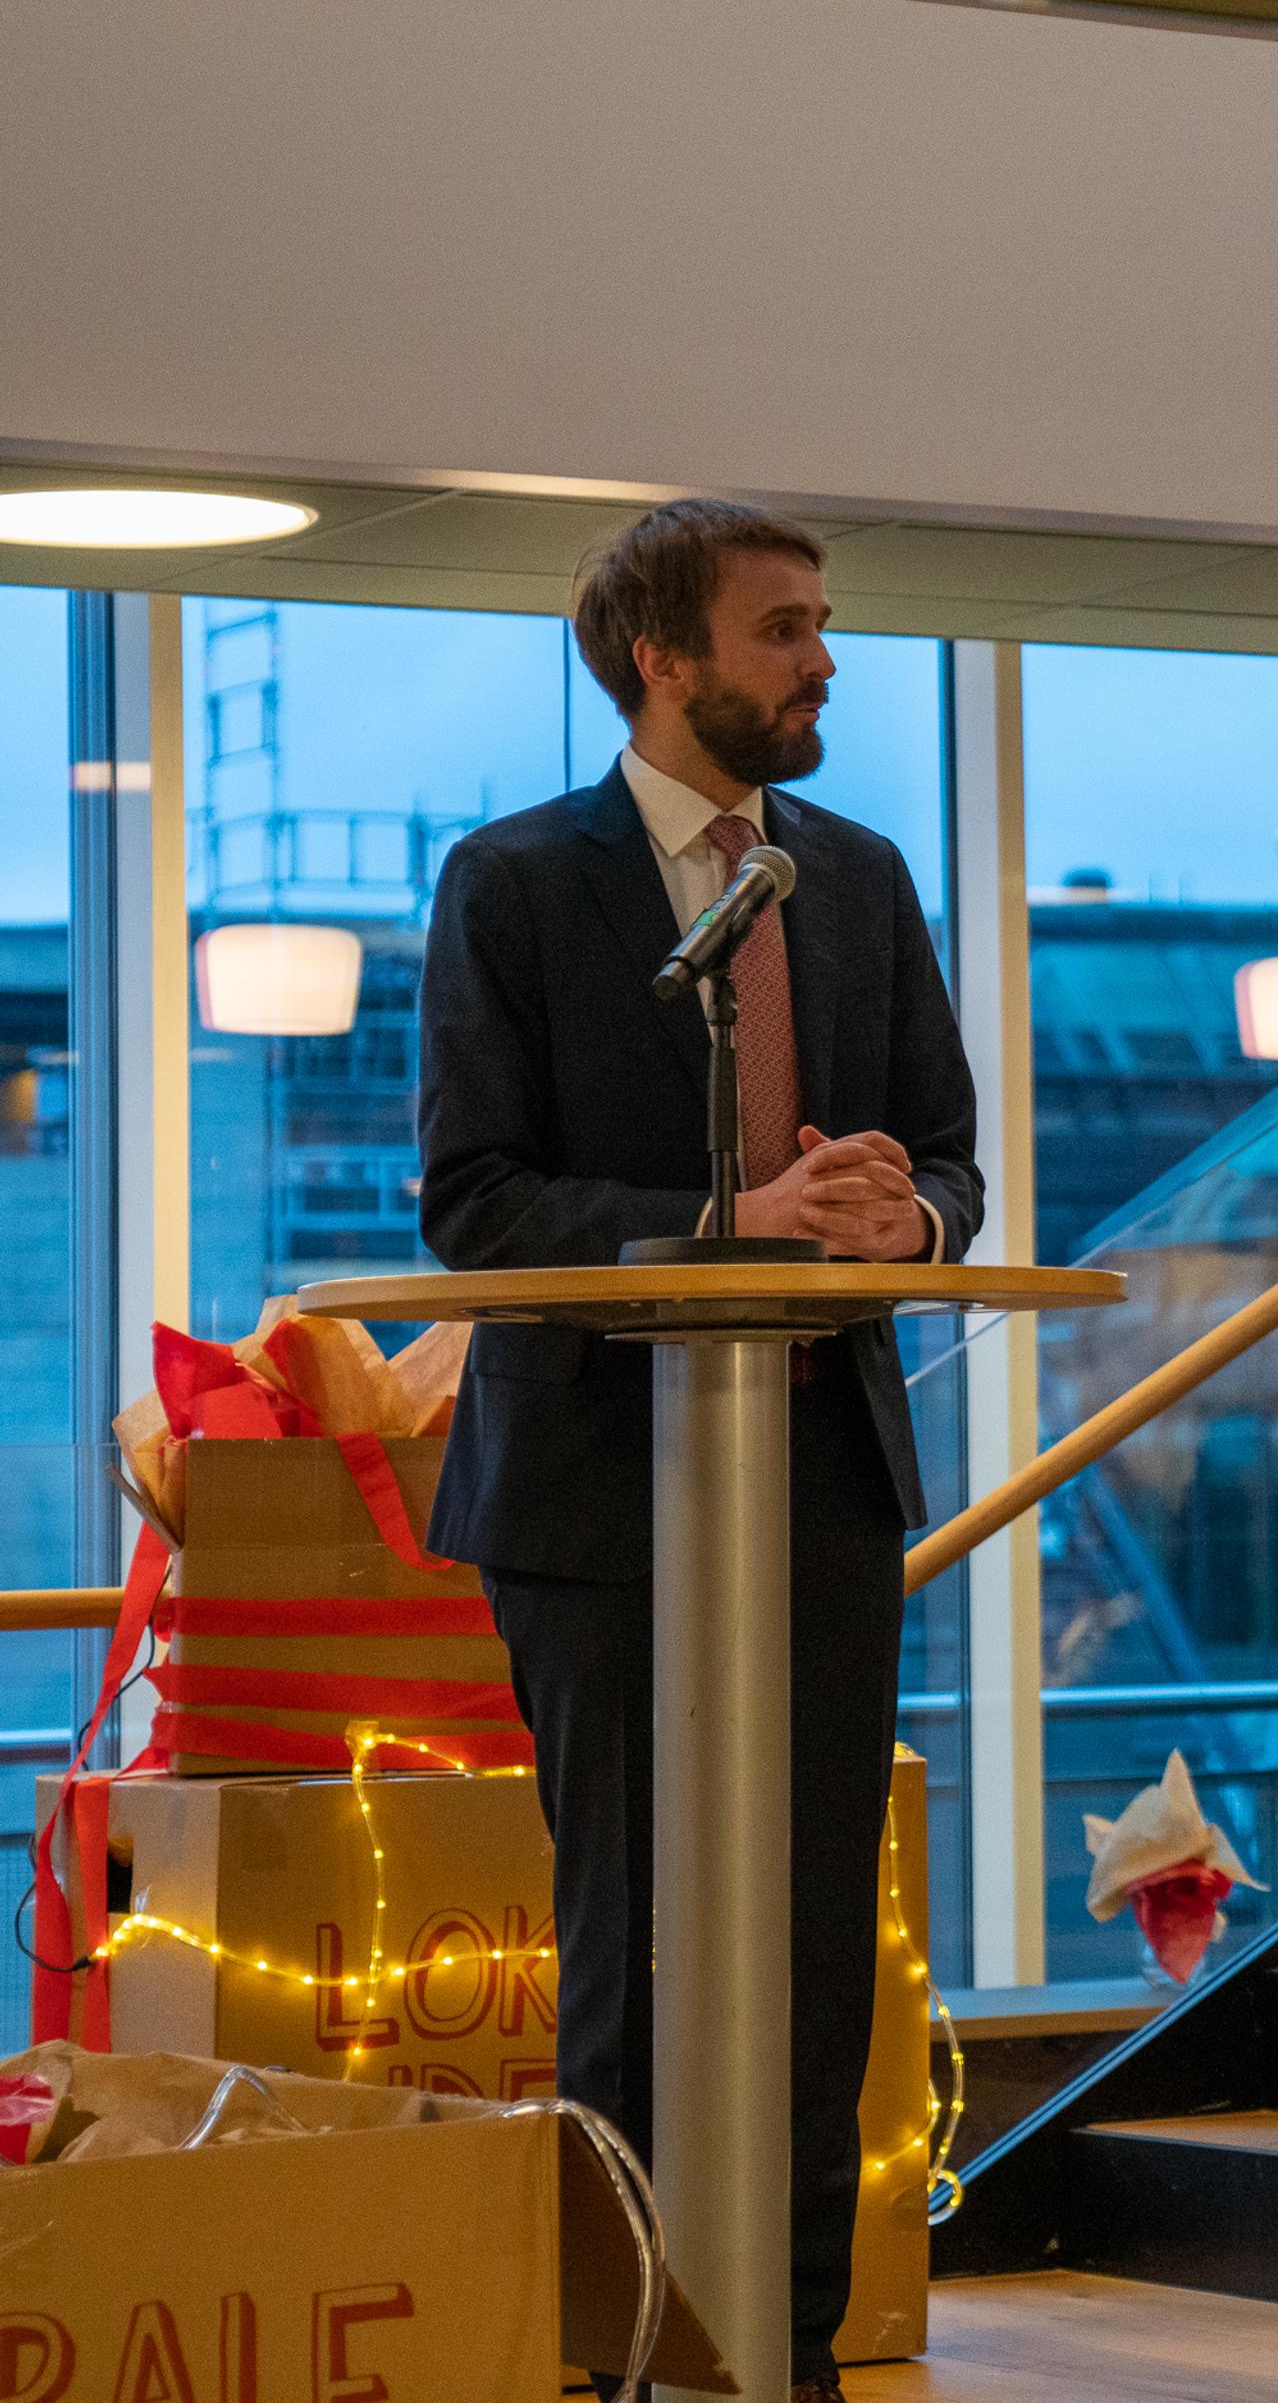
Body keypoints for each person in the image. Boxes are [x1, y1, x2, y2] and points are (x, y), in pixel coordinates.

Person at [416, 499, 980, 2403]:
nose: (824, 659)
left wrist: (908, 1219)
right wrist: (732, 1229)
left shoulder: (863, 877)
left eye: (822, 622)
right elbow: (477, 1204)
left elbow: (947, 1158)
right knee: (633, 1946)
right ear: (663, 659)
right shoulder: (513, 882)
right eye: (783, 627)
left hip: (818, 1486)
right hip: (595, 1499)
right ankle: (633, 2352)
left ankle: (793, 2354)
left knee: (817, 1947)